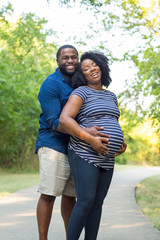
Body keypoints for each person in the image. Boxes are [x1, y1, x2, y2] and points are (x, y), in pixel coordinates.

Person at [35, 45, 111, 240]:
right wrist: (86, 133)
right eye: (65, 57)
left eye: (74, 57)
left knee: (71, 197)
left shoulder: (80, 83)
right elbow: (55, 121)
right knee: (49, 193)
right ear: (58, 61)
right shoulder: (51, 84)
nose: (70, 61)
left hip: (78, 148)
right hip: (54, 145)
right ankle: (43, 238)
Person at [59, 51, 127, 240]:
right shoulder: (81, 92)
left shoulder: (111, 96)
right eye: (86, 68)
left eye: (94, 65)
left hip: (107, 156)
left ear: (101, 66)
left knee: (97, 203)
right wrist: (91, 140)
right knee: (86, 201)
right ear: (82, 74)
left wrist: (120, 142)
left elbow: (112, 120)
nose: (91, 70)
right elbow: (65, 119)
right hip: (84, 152)